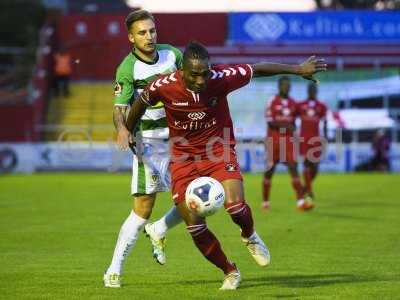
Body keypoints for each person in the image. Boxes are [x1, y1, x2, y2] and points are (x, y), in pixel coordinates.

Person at [126, 41, 326, 289]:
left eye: (205, 73)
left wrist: (298, 69)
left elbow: (258, 69)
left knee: (236, 207)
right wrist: (128, 130)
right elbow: (139, 104)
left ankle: (250, 236)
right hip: (183, 159)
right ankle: (230, 271)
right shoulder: (163, 86)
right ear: (182, 71)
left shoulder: (221, 77)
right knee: (195, 225)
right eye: (194, 75)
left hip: (218, 150)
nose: (201, 80)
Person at [104, 10, 184, 288]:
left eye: (152, 31)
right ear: (131, 37)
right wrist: (123, 129)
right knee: (142, 210)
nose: (149, 37)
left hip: (181, 141)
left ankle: (159, 229)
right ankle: (114, 268)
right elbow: (120, 109)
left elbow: (193, 85)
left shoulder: (172, 55)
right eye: (142, 32)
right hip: (149, 144)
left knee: (193, 202)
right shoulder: (128, 69)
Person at [262, 76, 313, 212]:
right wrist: (287, 126)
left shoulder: (293, 103)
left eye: (289, 85)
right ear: (279, 86)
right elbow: (270, 122)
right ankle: (265, 202)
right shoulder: (272, 101)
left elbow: (295, 121)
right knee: (269, 171)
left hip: (288, 142)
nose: (287, 87)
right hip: (273, 141)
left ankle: (300, 202)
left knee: (293, 168)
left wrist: (294, 128)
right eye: (285, 85)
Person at [297, 82, 328, 200]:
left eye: (314, 90)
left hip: (316, 139)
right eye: (310, 90)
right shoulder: (300, 105)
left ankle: (304, 189)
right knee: (306, 164)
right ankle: (309, 191)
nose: (312, 92)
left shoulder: (321, 106)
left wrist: (325, 137)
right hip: (303, 138)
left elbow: (325, 122)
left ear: (316, 91)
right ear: (307, 91)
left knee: (315, 168)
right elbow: (293, 118)